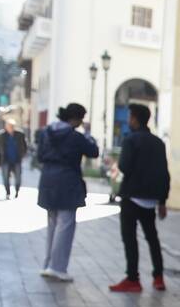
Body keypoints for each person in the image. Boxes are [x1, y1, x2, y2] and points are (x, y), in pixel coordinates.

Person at [109, 103, 170, 294]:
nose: (128, 120)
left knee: (130, 238)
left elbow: (125, 167)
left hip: (132, 196)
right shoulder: (158, 143)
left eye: (129, 117)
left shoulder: (131, 140)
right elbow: (164, 173)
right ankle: (158, 277)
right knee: (152, 237)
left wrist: (117, 163)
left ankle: (133, 278)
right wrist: (162, 201)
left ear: (134, 119)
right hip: (151, 198)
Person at [37, 103, 99, 282]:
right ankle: (58, 267)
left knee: (52, 224)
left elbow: (40, 156)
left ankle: (48, 264)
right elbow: (93, 152)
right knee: (65, 225)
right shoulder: (75, 137)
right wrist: (88, 134)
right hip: (68, 181)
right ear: (77, 118)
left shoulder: (46, 132)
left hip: (48, 179)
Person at [0, 119, 28, 199]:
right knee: (5, 177)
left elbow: (24, 146)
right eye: (9, 126)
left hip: (16, 159)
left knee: (18, 177)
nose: (10, 128)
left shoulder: (20, 134)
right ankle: (8, 192)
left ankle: (17, 190)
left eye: (12, 126)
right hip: (5, 160)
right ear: (5, 127)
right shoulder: (1, 135)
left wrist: (22, 154)